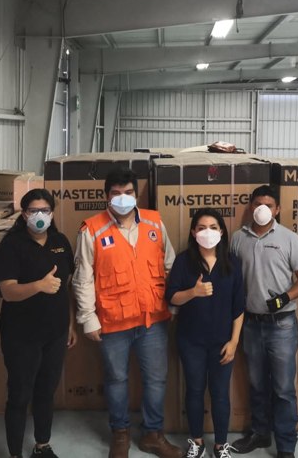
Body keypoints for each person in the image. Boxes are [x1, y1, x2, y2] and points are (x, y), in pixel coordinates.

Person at [72, 167, 181, 458]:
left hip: (153, 320)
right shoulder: (92, 229)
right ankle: (120, 434)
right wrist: (88, 318)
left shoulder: (155, 222)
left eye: (129, 192)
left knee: (156, 380)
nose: (123, 198)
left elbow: (170, 265)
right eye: (117, 193)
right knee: (116, 380)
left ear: (136, 194)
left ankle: (152, 435)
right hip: (112, 322)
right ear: (106, 197)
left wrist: (173, 303)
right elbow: (82, 278)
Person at [0, 189, 77, 458]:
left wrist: (70, 324)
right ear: (24, 214)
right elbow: (8, 292)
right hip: (21, 335)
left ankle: (42, 445)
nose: (39, 216)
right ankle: (15, 452)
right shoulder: (11, 245)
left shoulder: (60, 242)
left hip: (55, 332)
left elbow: (67, 288)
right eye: (33, 210)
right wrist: (39, 286)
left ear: (52, 213)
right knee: (19, 394)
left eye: (45, 210)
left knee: (46, 391)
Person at [230, 186, 298, 458]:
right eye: (257, 204)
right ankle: (260, 433)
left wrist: (284, 298)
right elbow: (232, 278)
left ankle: (286, 446)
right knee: (256, 384)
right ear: (250, 207)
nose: (262, 209)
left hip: (282, 325)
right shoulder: (238, 238)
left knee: (284, 389)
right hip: (250, 324)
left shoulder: (289, 238)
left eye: (268, 204)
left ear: (277, 209)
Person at [166, 208, 244, 458]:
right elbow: (171, 297)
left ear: (221, 231)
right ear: (193, 232)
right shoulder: (183, 261)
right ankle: (197, 442)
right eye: (201, 228)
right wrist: (193, 292)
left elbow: (239, 307)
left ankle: (221, 445)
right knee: (195, 390)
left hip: (223, 341)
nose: (207, 232)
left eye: (213, 227)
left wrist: (234, 342)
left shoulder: (233, 262)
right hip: (191, 341)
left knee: (220, 393)